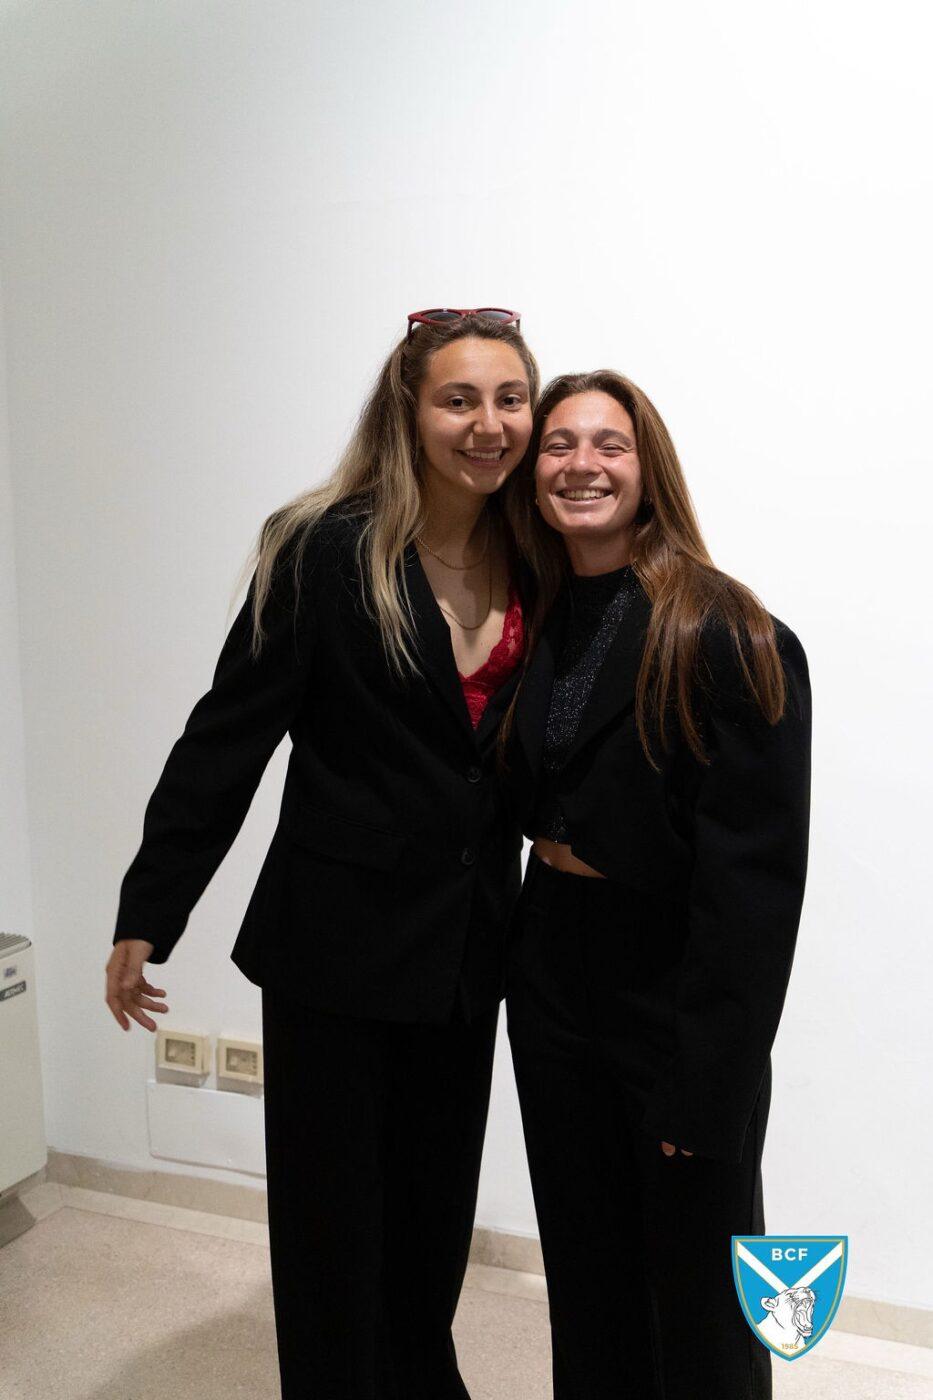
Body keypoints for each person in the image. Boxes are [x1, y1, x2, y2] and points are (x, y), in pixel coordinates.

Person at [104, 308, 541, 1399]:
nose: (488, 424)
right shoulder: (323, 548)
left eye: (509, 398)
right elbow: (226, 738)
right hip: (334, 952)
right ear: (408, 410)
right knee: (332, 1234)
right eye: (458, 399)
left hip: (467, 951)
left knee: (432, 1222)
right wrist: (150, 909)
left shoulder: (538, 553)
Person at [502, 370, 811, 1399]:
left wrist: (708, 1080)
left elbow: (753, 893)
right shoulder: (534, 615)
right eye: (558, 444)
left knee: (699, 1295)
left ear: (649, 470)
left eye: (609, 444)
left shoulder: (727, 631)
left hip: (672, 993)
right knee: (587, 1274)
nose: (580, 464)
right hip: (554, 974)